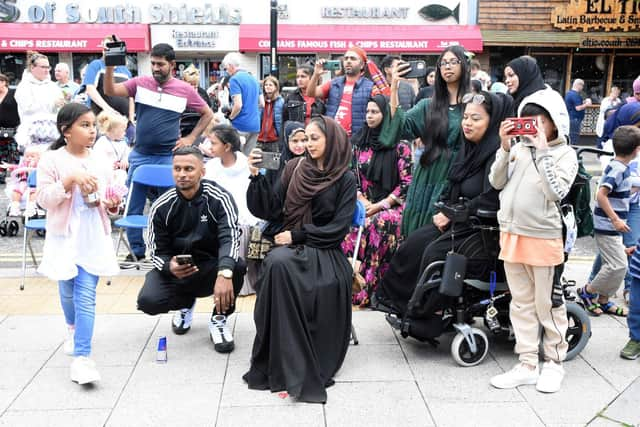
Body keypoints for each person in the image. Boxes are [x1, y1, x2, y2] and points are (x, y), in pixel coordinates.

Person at [243, 116, 357, 403]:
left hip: (324, 249)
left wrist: (298, 236)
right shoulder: (294, 168)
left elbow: (339, 228)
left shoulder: (345, 178)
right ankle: (282, 353)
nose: (308, 144)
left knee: (279, 263)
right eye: (305, 138)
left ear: (332, 140)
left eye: (315, 138)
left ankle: (295, 355)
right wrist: (256, 176)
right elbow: (271, 210)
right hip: (290, 246)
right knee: (277, 263)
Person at [376, 91, 512, 314]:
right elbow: (453, 181)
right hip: (459, 218)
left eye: (475, 119)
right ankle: (397, 303)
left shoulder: (497, 152)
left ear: (492, 121)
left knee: (433, 252)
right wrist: (444, 207)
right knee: (413, 243)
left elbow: (491, 196)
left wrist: (454, 213)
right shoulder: (469, 149)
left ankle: (425, 313)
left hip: (479, 227)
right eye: (465, 117)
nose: (467, 123)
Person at [488, 88, 578, 394]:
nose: (532, 125)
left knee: (547, 304)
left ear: (554, 122)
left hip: (544, 237)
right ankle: (527, 364)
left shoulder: (565, 154)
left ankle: (554, 363)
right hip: (512, 234)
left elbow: (556, 192)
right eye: (527, 119)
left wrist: (542, 152)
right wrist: (503, 147)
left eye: (539, 119)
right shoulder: (518, 149)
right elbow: (496, 182)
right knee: (521, 303)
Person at [370, 46, 471, 307]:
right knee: (415, 242)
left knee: (437, 244)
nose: (447, 67)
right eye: (443, 63)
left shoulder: (474, 103)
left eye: (453, 61)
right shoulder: (428, 105)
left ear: (464, 66)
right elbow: (397, 130)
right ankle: (408, 302)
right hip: (426, 178)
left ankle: (430, 304)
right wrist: (394, 87)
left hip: (456, 180)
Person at [36, 103, 122, 385]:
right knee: (67, 289)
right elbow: (43, 200)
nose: (92, 131)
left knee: (85, 292)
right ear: (66, 131)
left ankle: (82, 358)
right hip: (63, 236)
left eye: (93, 125)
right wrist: (70, 180)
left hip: (93, 234)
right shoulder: (51, 160)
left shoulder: (100, 159)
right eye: (84, 125)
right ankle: (72, 328)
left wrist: (112, 205)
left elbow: (108, 198)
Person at [104, 43, 213, 262]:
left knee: (170, 205)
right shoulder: (140, 83)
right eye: (153, 63)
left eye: (160, 64)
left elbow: (207, 114)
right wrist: (109, 65)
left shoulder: (184, 89)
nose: (155, 67)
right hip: (140, 154)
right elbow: (110, 91)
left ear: (172, 65)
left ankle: (168, 249)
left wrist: (191, 138)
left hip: (167, 157)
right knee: (134, 205)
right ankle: (136, 250)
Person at [136, 145, 246, 353]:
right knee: (148, 301)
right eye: (177, 169)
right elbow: (155, 250)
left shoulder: (219, 198)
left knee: (236, 266)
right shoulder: (162, 205)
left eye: (189, 169)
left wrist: (225, 272)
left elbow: (230, 237)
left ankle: (219, 320)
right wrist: (169, 266)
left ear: (202, 171)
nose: (182, 174)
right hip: (179, 270)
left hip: (210, 267)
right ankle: (185, 305)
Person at [341, 95, 413, 307]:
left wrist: (381, 205)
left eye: (375, 112)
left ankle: (371, 288)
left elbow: (407, 182)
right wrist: (361, 199)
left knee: (377, 224)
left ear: (387, 116)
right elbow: (350, 176)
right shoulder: (359, 143)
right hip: (363, 203)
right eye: (368, 112)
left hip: (393, 205)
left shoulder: (401, 147)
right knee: (348, 225)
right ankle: (350, 284)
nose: (370, 116)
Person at [577, 126, 640, 317]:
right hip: (607, 225)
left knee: (614, 264)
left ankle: (604, 300)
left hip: (612, 226)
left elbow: (620, 192)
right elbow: (601, 194)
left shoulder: (622, 168)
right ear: (636, 149)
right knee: (619, 265)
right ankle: (587, 292)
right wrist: (615, 220)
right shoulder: (618, 169)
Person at [203, 124, 260, 295]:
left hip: (242, 219)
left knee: (239, 229)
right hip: (217, 218)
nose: (209, 147)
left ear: (227, 146)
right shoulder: (211, 167)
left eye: (213, 143)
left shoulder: (246, 164)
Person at [307, 47, 375, 137]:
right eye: (346, 58)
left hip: (358, 139)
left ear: (362, 65)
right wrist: (316, 74)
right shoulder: (334, 83)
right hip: (334, 138)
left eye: (353, 58)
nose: (348, 61)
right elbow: (311, 93)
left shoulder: (370, 87)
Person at [14, 52, 64, 148]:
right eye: (43, 67)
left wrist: (61, 105)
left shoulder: (53, 86)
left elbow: (59, 110)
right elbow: (28, 109)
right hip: (31, 135)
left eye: (48, 67)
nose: (46, 70)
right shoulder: (24, 86)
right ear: (32, 67)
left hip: (53, 134)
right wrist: (52, 103)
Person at [83, 36, 134, 124]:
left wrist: (131, 119)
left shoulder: (125, 71)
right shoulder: (96, 65)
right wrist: (107, 108)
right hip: (102, 120)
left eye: (109, 47)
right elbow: (90, 89)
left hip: (122, 122)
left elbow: (130, 98)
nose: (105, 49)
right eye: (104, 47)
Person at [221, 52, 261, 156]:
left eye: (226, 68)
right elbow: (262, 103)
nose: (227, 71)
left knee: (236, 158)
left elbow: (238, 105)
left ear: (231, 65)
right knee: (248, 159)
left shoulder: (235, 79)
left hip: (241, 125)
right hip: (255, 124)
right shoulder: (253, 79)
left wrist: (231, 117)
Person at [93, 110, 130, 189]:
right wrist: (110, 166)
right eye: (123, 130)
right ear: (114, 130)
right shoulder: (102, 143)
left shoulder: (122, 142)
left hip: (119, 174)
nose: (125, 133)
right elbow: (98, 160)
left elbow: (127, 152)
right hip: (105, 176)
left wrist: (125, 159)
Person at [6, 144, 41, 217]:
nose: (29, 158)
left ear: (39, 158)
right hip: (23, 182)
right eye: (27, 156)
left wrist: (34, 166)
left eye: (32, 156)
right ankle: (15, 207)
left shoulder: (40, 165)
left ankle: (31, 208)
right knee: (17, 190)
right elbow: (18, 167)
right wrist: (10, 167)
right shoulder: (24, 164)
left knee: (33, 192)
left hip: (36, 183)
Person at [0, 72, 20, 183]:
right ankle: (1, 175)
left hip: (13, 128)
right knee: (0, 153)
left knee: (13, 152)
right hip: (0, 130)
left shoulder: (14, 93)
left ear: (4, 82)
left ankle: (15, 174)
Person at [257, 76, 284, 152]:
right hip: (259, 139)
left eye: (270, 85)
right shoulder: (259, 101)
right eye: (266, 85)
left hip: (274, 140)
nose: (267, 87)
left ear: (276, 87)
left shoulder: (281, 102)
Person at [565, 79, 592, 145]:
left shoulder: (569, 93)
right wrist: (587, 104)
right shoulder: (575, 95)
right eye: (582, 85)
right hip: (574, 119)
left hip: (570, 118)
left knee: (570, 137)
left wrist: (584, 102)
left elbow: (575, 104)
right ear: (578, 85)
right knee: (574, 138)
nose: (582, 88)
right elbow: (578, 108)